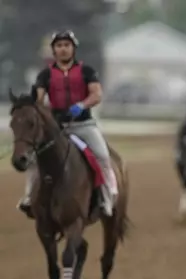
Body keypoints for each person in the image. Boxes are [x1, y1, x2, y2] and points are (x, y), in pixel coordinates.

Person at [18, 30, 117, 217]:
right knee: (33, 159)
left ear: (73, 48)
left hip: (84, 125)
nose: (63, 49)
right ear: (54, 50)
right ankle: (29, 197)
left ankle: (107, 199)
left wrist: (82, 105)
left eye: (66, 45)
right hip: (57, 128)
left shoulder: (87, 71)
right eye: (59, 46)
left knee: (103, 156)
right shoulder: (45, 75)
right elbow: (39, 98)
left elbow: (97, 94)